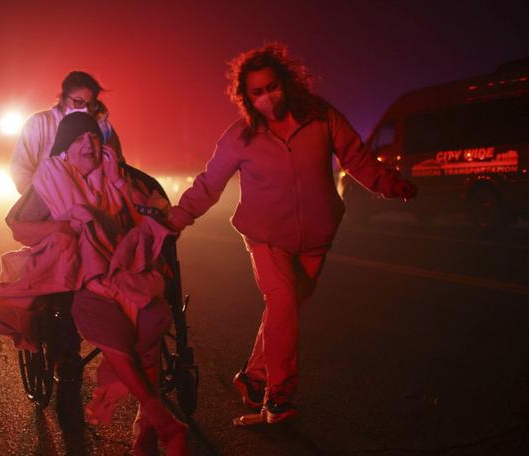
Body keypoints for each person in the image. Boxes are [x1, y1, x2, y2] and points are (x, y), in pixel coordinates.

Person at [167, 44, 418, 424]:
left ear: (287, 82)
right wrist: (177, 218)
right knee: (282, 302)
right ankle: (278, 399)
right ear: (247, 98)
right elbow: (210, 183)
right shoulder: (240, 136)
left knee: (284, 313)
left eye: (272, 87)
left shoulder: (321, 116)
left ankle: (253, 379)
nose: (267, 97)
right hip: (265, 236)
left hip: (317, 236)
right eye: (257, 93)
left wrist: (390, 183)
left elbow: (356, 157)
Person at [0, 113, 187, 455]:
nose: (88, 144)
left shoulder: (120, 177)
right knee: (99, 316)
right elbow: (19, 226)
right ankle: (158, 422)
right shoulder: (51, 180)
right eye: (78, 140)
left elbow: (152, 217)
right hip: (78, 278)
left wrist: (131, 196)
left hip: (126, 271)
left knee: (148, 315)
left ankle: (147, 425)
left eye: (93, 137)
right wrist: (66, 228)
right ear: (64, 147)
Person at [10, 70, 123, 193]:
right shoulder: (39, 123)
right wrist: (43, 201)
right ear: (63, 99)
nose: (85, 109)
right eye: (78, 102)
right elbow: (21, 170)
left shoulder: (105, 130)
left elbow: (119, 169)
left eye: (90, 105)